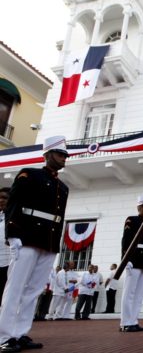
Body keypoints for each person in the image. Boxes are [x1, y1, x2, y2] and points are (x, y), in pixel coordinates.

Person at [0, 136, 69, 352]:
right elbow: (14, 204)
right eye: (59, 154)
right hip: (27, 238)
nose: (63, 158)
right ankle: (4, 336)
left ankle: (20, 333)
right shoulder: (29, 174)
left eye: (65, 155)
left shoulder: (63, 187)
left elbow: (58, 219)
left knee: (34, 290)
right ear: (47, 155)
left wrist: (55, 245)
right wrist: (12, 234)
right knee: (15, 288)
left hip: (47, 243)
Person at [119, 194, 143, 332]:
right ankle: (125, 322)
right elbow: (125, 240)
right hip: (133, 259)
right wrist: (125, 259)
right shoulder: (131, 220)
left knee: (139, 294)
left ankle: (133, 320)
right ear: (140, 207)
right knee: (129, 292)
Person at [0, 187, 10, 306]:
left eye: (5, 198)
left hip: (8, 262)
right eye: (0, 198)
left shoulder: (16, 216)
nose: (1, 200)